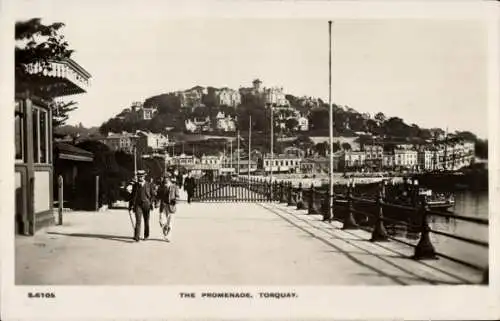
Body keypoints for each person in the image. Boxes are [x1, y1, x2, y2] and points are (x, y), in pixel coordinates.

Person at [128, 170, 155, 242]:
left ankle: (146, 235)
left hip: (146, 205)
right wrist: (130, 206)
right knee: (138, 221)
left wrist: (151, 203)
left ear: (144, 176)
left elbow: (153, 195)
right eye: (139, 177)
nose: (140, 178)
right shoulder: (135, 185)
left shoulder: (149, 184)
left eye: (141, 176)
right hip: (138, 205)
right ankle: (137, 236)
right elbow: (132, 196)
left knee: (146, 221)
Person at [158, 173, 179, 242]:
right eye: (164, 178)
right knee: (161, 221)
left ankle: (168, 236)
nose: (165, 179)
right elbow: (158, 196)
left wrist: (175, 200)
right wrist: (156, 202)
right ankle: (165, 228)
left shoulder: (174, 186)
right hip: (163, 206)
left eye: (166, 178)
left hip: (171, 206)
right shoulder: (161, 186)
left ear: (169, 178)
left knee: (170, 222)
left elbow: (177, 196)